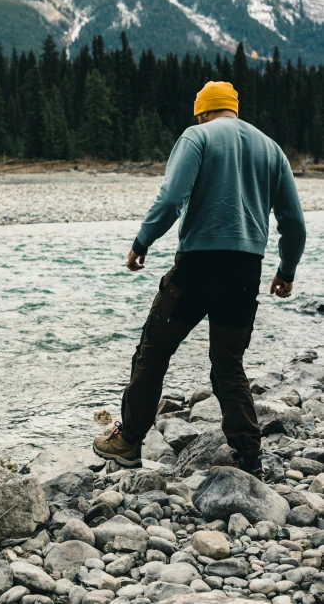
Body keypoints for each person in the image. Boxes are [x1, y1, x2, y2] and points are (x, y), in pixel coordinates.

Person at [93, 81, 306, 477]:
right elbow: (293, 221)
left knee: (154, 350)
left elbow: (172, 198)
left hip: (197, 268)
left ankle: (128, 441)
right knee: (228, 363)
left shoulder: (196, 137)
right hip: (246, 270)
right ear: (234, 110)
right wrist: (287, 270)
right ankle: (248, 457)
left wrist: (142, 242)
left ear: (203, 112)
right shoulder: (270, 148)